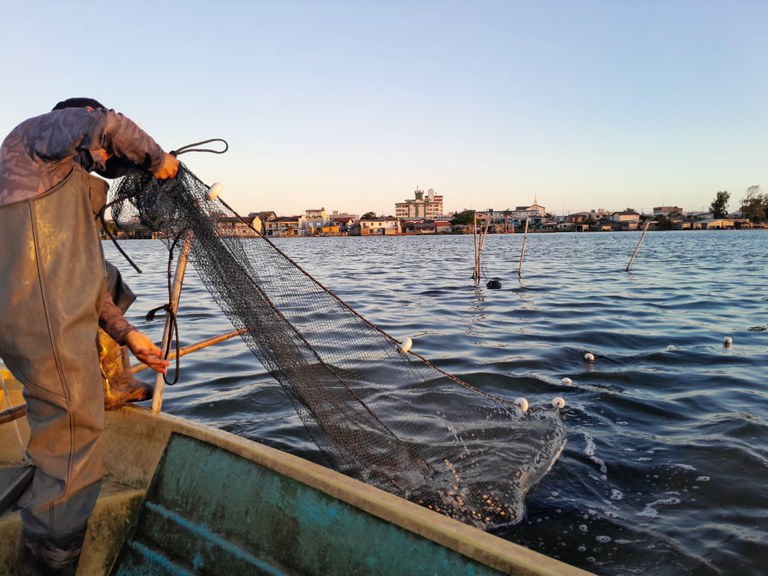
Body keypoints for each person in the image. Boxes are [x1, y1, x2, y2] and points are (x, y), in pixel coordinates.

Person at [0, 98, 178, 575]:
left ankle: (113, 381)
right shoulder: (34, 139)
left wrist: (128, 335)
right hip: (44, 319)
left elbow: (88, 278)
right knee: (74, 451)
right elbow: (108, 125)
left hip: (49, 309)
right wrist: (159, 161)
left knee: (110, 274)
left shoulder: (65, 182)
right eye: (100, 152)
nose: (104, 160)